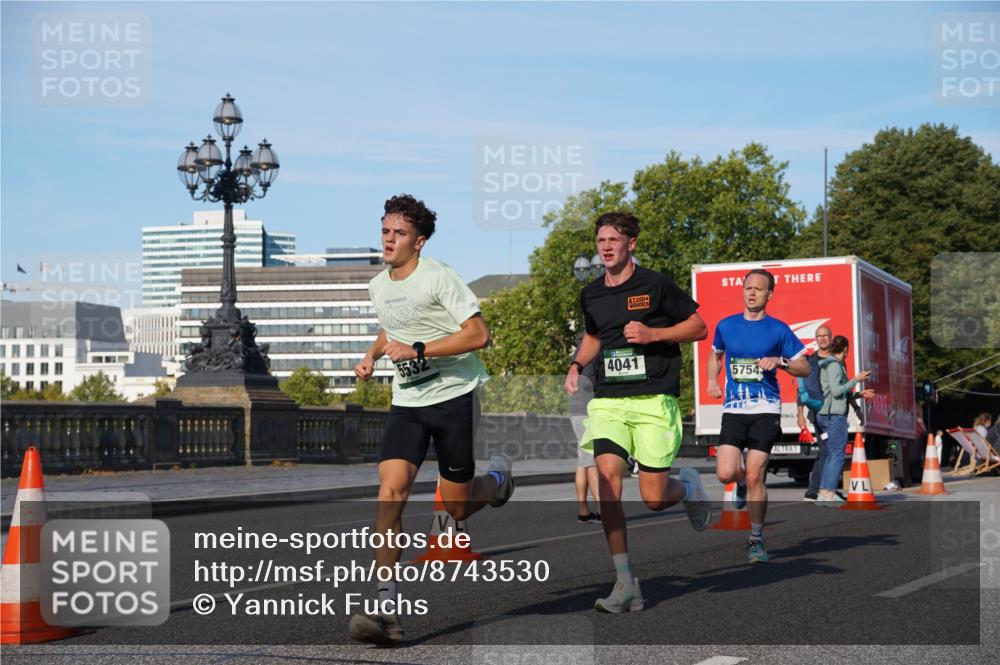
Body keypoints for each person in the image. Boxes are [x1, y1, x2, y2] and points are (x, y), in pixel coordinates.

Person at [349, 194, 514, 645]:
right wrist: (371, 355)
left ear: (418, 242)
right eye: (385, 231)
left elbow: (479, 334)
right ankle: (386, 608)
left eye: (398, 234)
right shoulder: (378, 285)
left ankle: (498, 482)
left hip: (455, 398)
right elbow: (392, 325)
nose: (388, 239)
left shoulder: (440, 278)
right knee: (390, 494)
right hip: (409, 402)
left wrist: (420, 350)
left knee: (457, 507)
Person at [565, 211, 712, 613]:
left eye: (614, 239)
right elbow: (594, 335)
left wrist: (654, 334)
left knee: (652, 497)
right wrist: (577, 365)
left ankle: (687, 489)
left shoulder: (656, 284)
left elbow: (699, 328)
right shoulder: (592, 293)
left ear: (632, 243)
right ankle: (626, 582)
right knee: (607, 485)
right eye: (601, 240)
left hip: (653, 399)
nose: (606, 246)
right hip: (610, 400)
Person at [706, 269, 810, 563]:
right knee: (726, 472)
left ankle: (756, 539)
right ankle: (740, 485)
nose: (751, 293)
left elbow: (805, 367)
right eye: (747, 287)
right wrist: (713, 381)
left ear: (769, 295)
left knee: (756, 475)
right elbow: (715, 357)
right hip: (734, 408)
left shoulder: (778, 330)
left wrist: (781, 361)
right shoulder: (726, 326)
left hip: (766, 409)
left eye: (758, 289)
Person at [815, 335, 874, 505]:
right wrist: (856, 379)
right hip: (833, 415)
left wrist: (857, 397)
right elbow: (836, 391)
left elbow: (841, 392)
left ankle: (823, 492)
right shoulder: (834, 365)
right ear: (845, 349)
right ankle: (828, 492)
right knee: (838, 455)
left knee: (831, 454)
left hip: (827, 413)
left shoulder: (833, 364)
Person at [796, 325, 833, 501]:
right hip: (819, 413)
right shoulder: (810, 361)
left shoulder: (837, 359)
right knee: (826, 450)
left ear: (830, 338)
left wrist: (855, 407)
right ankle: (814, 491)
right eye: (819, 336)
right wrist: (800, 415)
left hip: (836, 412)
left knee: (830, 451)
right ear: (816, 339)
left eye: (825, 336)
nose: (823, 339)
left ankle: (823, 489)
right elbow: (801, 390)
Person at [571, 333, 601, 524]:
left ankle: (584, 510)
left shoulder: (578, 350)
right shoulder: (590, 349)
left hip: (577, 408)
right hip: (587, 408)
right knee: (592, 461)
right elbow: (588, 382)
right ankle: (603, 509)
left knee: (584, 460)